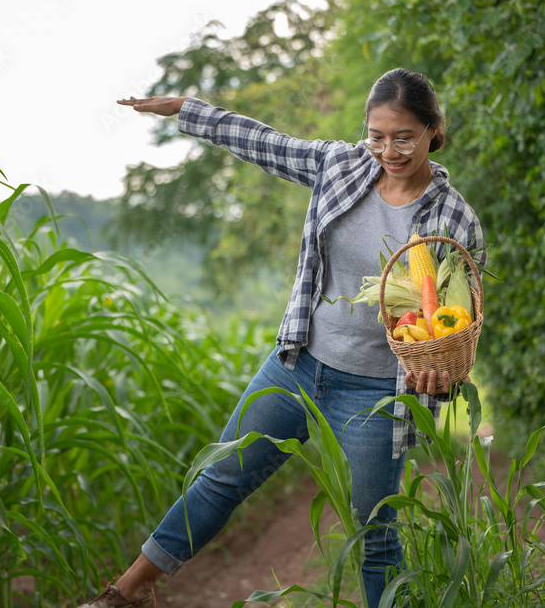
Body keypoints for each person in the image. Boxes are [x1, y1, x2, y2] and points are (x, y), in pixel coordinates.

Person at [79, 68, 486, 608]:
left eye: (404, 136)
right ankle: (130, 591)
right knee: (222, 476)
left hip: (375, 393)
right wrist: (188, 110)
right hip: (298, 364)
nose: (388, 150)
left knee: (375, 534)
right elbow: (266, 143)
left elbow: (459, 320)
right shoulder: (341, 165)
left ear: (435, 130)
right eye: (377, 135)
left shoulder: (455, 218)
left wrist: (440, 376)